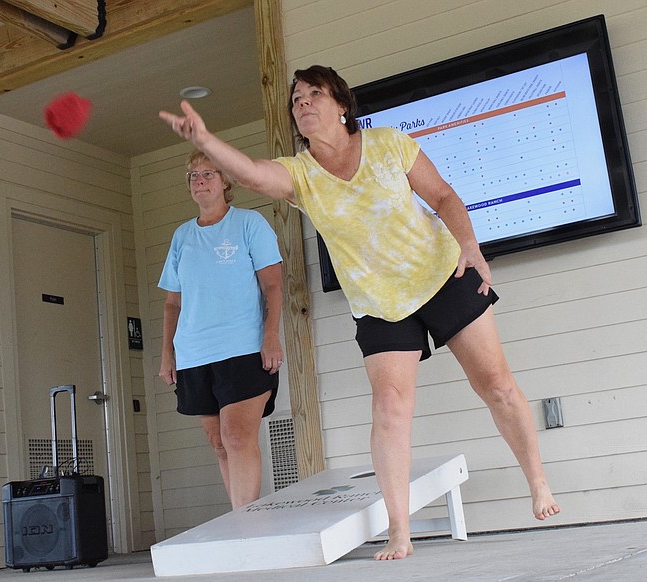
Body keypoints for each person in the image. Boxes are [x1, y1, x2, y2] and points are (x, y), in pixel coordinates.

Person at [159, 65, 560, 559]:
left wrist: (470, 246)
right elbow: (250, 174)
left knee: (495, 384)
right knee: (389, 407)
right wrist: (205, 139)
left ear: (341, 104)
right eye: (295, 100)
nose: (301, 103)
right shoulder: (301, 174)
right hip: (379, 304)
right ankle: (399, 531)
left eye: (313, 94)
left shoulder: (389, 143)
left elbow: (441, 196)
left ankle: (538, 482)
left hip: (442, 275)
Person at [157, 149, 284, 510]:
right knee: (218, 443)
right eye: (193, 176)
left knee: (237, 436)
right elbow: (172, 303)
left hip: (243, 348)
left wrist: (271, 335)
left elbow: (272, 285)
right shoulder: (182, 237)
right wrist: (168, 353)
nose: (199, 181)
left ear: (226, 180)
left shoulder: (249, 223)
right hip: (195, 354)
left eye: (208, 174)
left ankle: (247, 528)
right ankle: (240, 520)